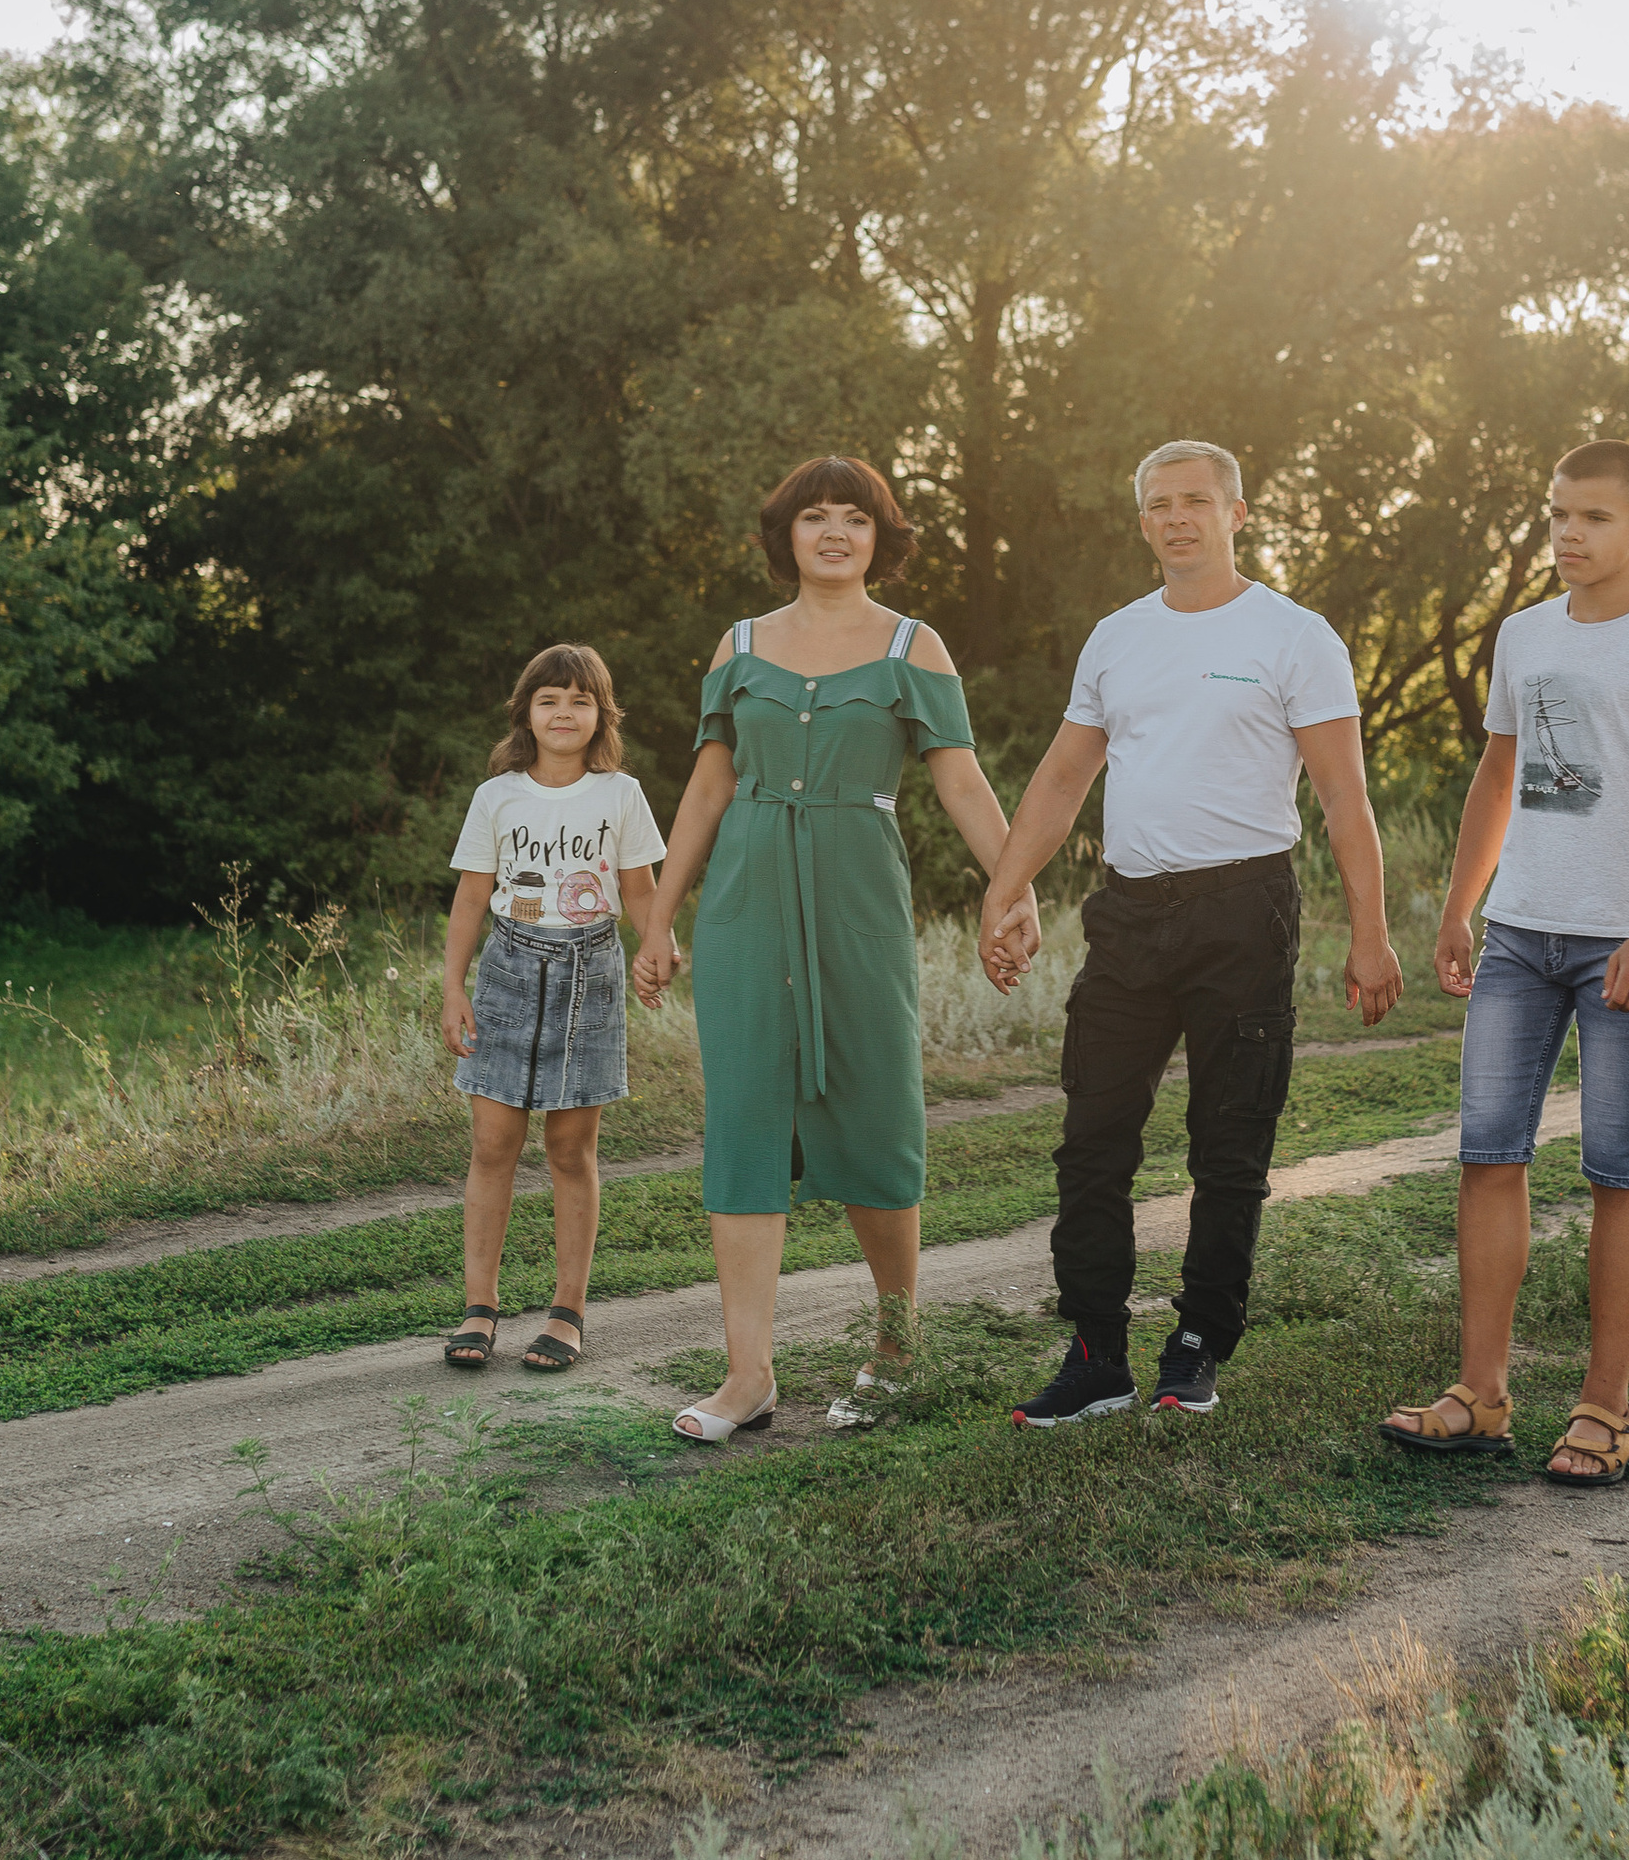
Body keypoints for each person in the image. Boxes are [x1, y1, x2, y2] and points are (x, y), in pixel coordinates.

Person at [973, 438, 1403, 1425]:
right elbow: (1063, 778)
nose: (1177, 518)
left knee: (1228, 1149)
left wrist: (1369, 935)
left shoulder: (1295, 637)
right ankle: (1094, 1355)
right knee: (1091, 1144)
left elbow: (1344, 800)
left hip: (1242, 914)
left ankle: (1197, 1344)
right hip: (1127, 915)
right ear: (1141, 523)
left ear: (1235, 513)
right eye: (1159, 504)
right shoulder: (1117, 638)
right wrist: (1004, 892)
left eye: (1196, 501)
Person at [631, 455, 1029, 1444]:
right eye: (815, 518)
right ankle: (746, 1377)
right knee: (746, 1124)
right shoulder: (738, 646)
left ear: (878, 535)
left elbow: (963, 785)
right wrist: (656, 918)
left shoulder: (912, 647)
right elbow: (709, 789)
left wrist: (1010, 887)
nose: (835, 533)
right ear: (787, 536)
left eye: (855, 518)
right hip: (746, 901)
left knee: (876, 1114)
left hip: (858, 896)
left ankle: (896, 1344)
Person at [1382, 439, 1629, 1487]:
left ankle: (1604, 1409)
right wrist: (1460, 907)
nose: (1567, 535)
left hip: (1619, 945)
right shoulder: (1523, 636)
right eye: (1555, 516)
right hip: (1516, 938)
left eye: (1590, 517)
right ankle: (1480, 1396)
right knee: (1487, 1157)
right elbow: (1497, 776)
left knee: (1616, 1167)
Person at [440, 641, 667, 1373]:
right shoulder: (497, 794)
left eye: (579, 699)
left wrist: (655, 945)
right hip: (506, 970)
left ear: (601, 713)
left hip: (591, 971)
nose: (564, 711)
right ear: (526, 713)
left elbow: (638, 889)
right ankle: (480, 1307)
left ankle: (567, 1311)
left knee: (570, 1149)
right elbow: (473, 894)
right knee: (492, 1145)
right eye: (549, 699)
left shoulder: (621, 793)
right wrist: (452, 986)